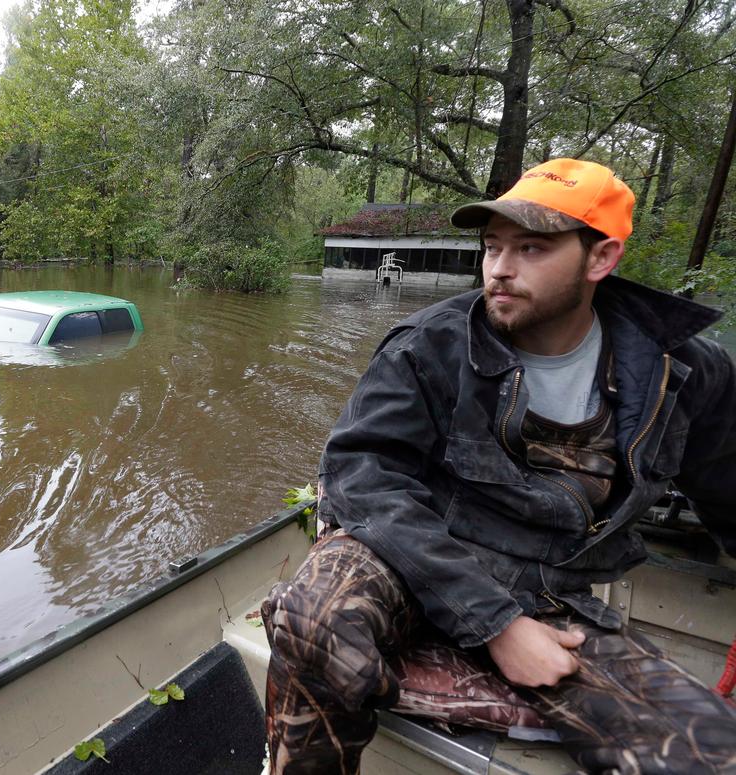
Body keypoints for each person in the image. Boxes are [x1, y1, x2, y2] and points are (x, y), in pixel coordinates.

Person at [262, 158, 736, 774]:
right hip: (418, 557)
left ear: (601, 259)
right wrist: (495, 625)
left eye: (532, 249)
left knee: (708, 754)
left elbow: (727, 486)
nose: (501, 270)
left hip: (554, 591)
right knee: (315, 615)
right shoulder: (430, 344)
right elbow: (363, 475)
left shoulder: (688, 371)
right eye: (492, 248)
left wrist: (522, 619)